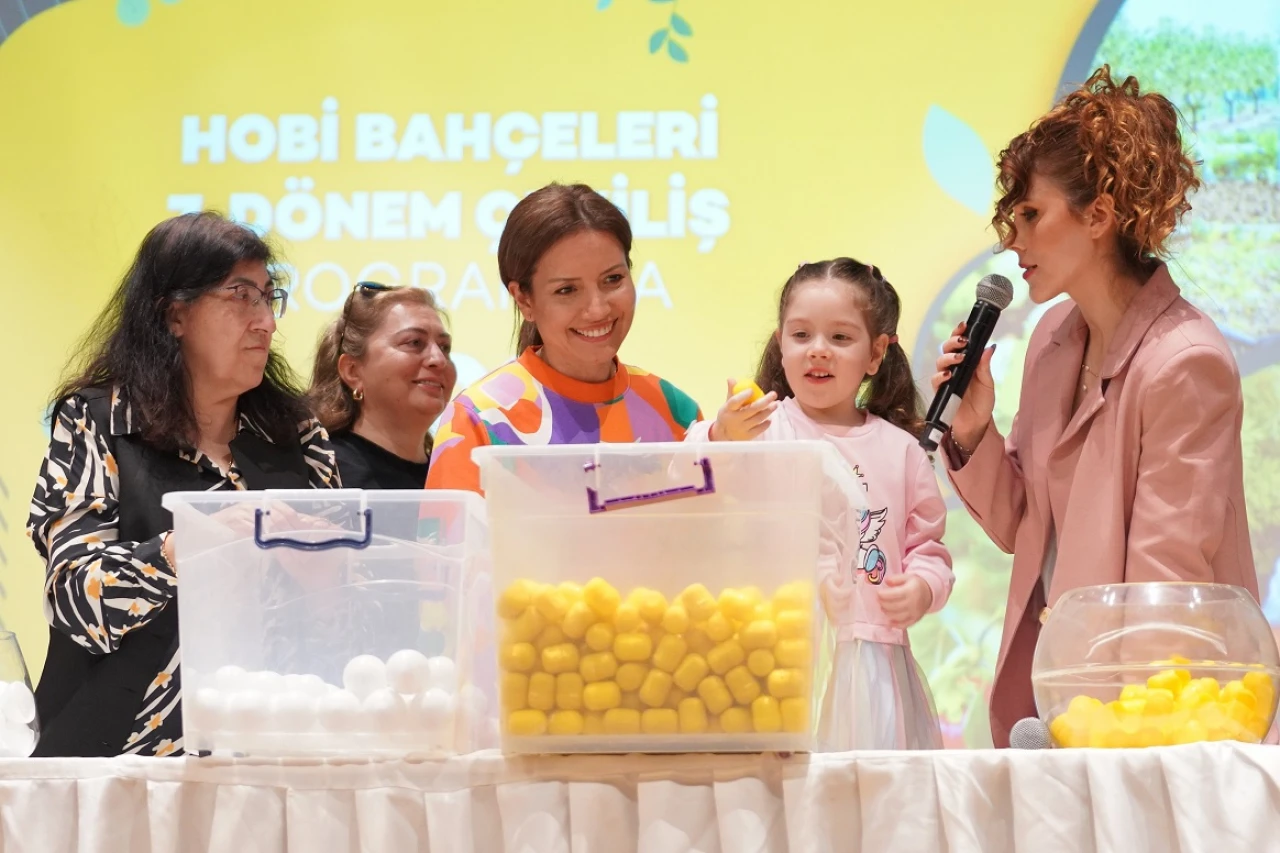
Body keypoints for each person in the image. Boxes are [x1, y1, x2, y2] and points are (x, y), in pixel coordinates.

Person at [931, 66, 1258, 747]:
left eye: (1031, 215)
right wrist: (974, 431)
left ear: (1100, 217)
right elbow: (1027, 527)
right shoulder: (1054, 339)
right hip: (1064, 707)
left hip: (1151, 716)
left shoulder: (1185, 361)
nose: (1012, 239)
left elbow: (1167, 588)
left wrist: (1115, 737)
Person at [26, 212, 339, 757]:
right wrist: (182, 549)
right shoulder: (100, 421)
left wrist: (328, 579)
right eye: (241, 296)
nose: (265, 322)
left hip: (271, 755)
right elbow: (76, 600)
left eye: (269, 298)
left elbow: (356, 623)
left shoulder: (297, 434)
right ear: (175, 314)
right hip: (118, 762)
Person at [688, 258, 953, 749]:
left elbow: (928, 548)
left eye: (840, 337)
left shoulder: (902, 452)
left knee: (870, 787)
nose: (818, 350)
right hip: (770, 650)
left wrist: (922, 587)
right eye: (801, 335)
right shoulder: (760, 429)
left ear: (876, 353)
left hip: (870, 660)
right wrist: (722, 435)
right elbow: (682, 481)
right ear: (780, 343)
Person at [426, 182, 702, 493]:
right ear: (524, 299)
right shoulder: (477, 421)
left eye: (613, 279)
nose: (598, 309)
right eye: (567, 290)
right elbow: (447, 527)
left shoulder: (676, 412)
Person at [309, 282, 457, 489]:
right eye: (414, 342)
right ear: (352, 371)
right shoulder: (318, 475)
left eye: (444, 347)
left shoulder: (462, 476)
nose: (439, 359)